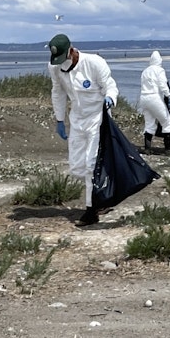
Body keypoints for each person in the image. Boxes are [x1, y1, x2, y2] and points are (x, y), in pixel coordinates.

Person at [48, 33, 118, 227]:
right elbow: (58, 92)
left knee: (90, 164)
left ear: (71, 50)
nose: (62, 64)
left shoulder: (94, 63)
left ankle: (91, 210)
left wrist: (110, 98)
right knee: (77, 166)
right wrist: (59, 119)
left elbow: (110, 85)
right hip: (77, 119)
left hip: (97, 118)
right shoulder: (54, 68)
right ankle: (103, 195)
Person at [138, 50, 170, 152]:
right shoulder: (159, 70)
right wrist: (168, 95)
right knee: (166, 122)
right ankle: (168, 149)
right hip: (155, 98)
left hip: (144, 98)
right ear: (159, 60)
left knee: (149, 123)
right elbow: (163, 84)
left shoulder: (145, 71)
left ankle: (147, 148)